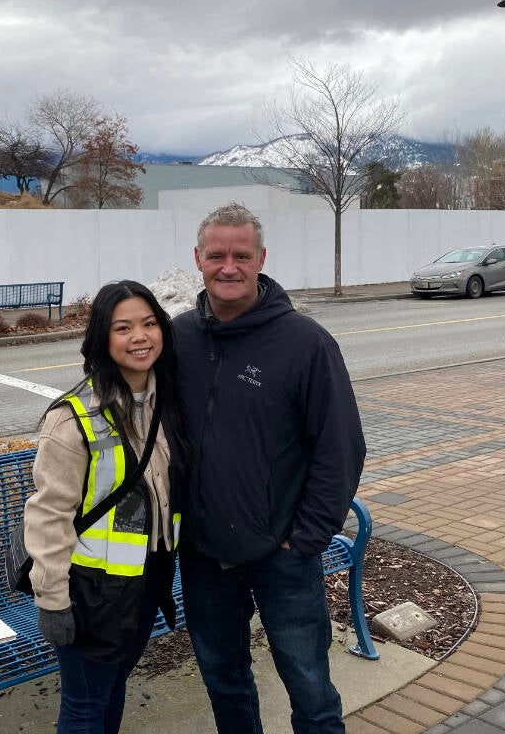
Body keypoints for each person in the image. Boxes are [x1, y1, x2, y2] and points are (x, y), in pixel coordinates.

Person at [174, 203, 366, 734]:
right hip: (204, 553)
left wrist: (305, 538)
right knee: (223, 678)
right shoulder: (180, 339)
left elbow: (342, 449)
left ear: (261, 259)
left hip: (283, 555)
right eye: (217, 255)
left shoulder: (305, 344)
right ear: (198, 259)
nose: (228, 267)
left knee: (308, 682)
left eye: (241, 255)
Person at [22, 279, 189, 734]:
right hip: (90, 591)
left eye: (149, 323)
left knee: (112, 692)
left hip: (147, 580)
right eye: (123, 328)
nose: (140, 337)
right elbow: (48, 514)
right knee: (84, 707)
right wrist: (53, 601)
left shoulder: (167, 401)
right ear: (102, 338)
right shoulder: (72, 418)